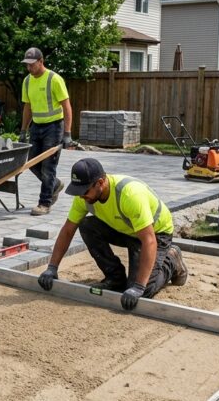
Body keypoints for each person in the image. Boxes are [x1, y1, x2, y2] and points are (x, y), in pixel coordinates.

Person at [37, 157, 188, 310]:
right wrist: (52, 268)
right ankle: (115, 277)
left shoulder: (129, 195)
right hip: (127, 229)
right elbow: (68, 230)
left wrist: (139, 287)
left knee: (144, 290)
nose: (82, 196)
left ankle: (172, 260)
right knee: (87, 225)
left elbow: (149, 241)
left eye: (85, 191)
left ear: (101, 183)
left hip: (155, 233)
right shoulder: (84, 198)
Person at [18, 47, 73, 216]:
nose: (29, 68)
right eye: (27, 65)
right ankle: (54, 185)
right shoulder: (27, 81)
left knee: (48, 167)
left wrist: (67, 133)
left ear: (41, 61)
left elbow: (67, 106)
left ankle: (44, 203)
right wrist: (23, 130)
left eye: (32, 64)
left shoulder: (54, 79)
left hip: (54, 127)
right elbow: (28, 107)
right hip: (37, 127)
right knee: (32, 163)